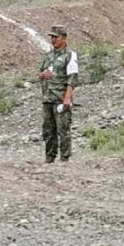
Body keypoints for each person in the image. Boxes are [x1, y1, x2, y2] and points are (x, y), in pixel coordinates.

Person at [37, 25, 79, 163]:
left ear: (64, 38)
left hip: (60, 98)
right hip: (47, 98)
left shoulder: (70, 55)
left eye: (56, 37)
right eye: (52, 37)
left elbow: (73, 78)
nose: (53, 40)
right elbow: (39, 74)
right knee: (48, 130)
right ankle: (50, 157)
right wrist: (42, 75)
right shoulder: (48, 56)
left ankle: (65, 158)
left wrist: (67, 97)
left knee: (63, 129)